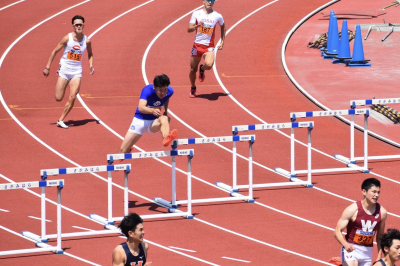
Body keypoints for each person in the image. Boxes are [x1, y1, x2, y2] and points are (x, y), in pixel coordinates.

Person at [43, 15, 94, 129]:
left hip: (76, 72)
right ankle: (62, 90)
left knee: (72, 96)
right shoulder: (67, 38)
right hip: (65, 70)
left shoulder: (87, 41)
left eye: (80, 24)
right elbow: (55, 51)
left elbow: (90, 54)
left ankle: (61, 120)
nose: (79, 26)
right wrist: (48, 67)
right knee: (58, 98)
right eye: (76, 25)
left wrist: (91, 65)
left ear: (83, 26)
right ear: (73, 26)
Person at [334, 178, 387, 266]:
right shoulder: (352, 209)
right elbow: (337, 231)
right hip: (351, 249)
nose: (376, 195)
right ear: (364, 192)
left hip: (367, 252)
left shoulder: (382, 212)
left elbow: (380, 236)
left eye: (378, 192)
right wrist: (345, 245)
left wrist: (379, 255)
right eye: (373, 192)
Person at [119, 74, 178, 153]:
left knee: (164, 118)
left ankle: (166, 137)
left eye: (165, 90)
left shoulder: (170, 91)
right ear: (154, 87)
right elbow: (141, 107)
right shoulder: (147, 91)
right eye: (160, 90)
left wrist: (165, 111)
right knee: (122, 151)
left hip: (153, 123)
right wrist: (152, 111)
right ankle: (128, 148)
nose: (163, 93)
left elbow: (167, 98)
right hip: (140, 121)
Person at [187, 0, 226, 98]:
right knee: (192, 69)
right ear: (203, 1)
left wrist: (222, 41)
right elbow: (189, 29)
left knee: (209, 65)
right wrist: (197, 26)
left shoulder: (217, 16)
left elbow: (223, 26)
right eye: (208, 0)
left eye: (212, 1)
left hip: (209, 47)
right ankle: (193, 87)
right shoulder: (196, 13)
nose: (210, 2)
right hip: (197, 46)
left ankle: (202, 68)